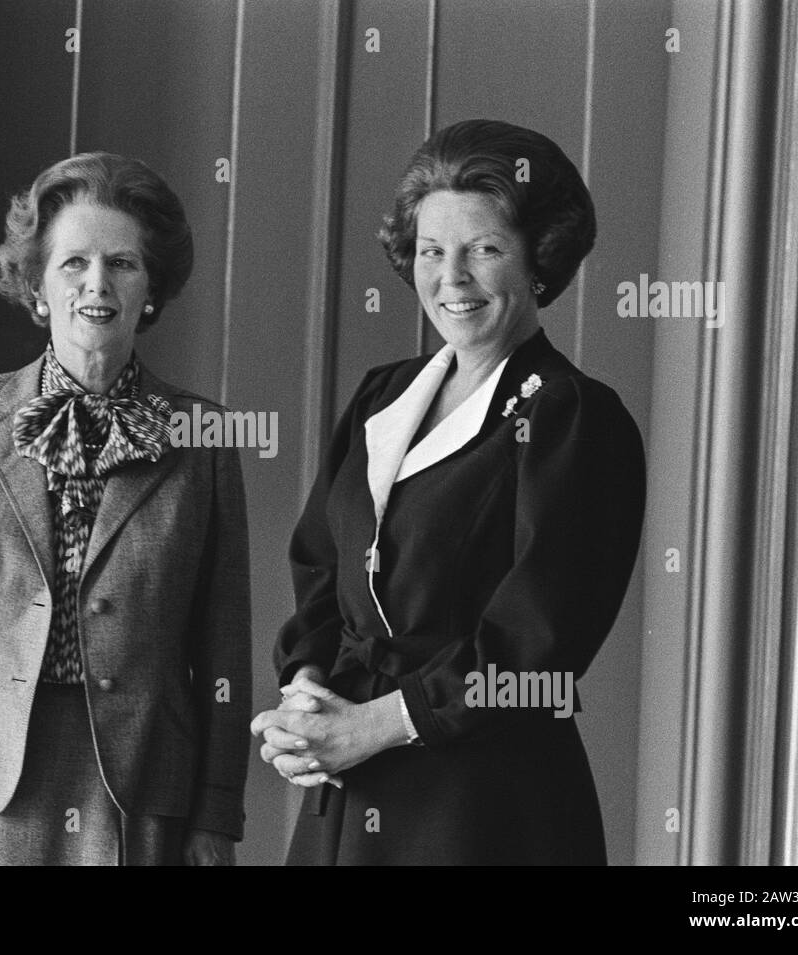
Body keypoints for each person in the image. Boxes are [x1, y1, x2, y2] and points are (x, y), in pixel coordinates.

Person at [251, 119, 646, 865]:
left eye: (484, 249)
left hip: (482, 808)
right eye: (433, 250)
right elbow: (320, 567)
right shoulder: (383, 395)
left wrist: (374, 725)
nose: (451, 278)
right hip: (346, 792)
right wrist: (306, 696)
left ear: (540, 262)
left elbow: (541, 643)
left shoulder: (571, 415)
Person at [0, 152, 252, 866]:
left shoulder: (204, 436)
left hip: (136, 782)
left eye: (123, 264)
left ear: (151, 291)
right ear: (39, 287)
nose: (97, 284)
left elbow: (223, 644)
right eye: (73, 263)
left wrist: (216, 816)